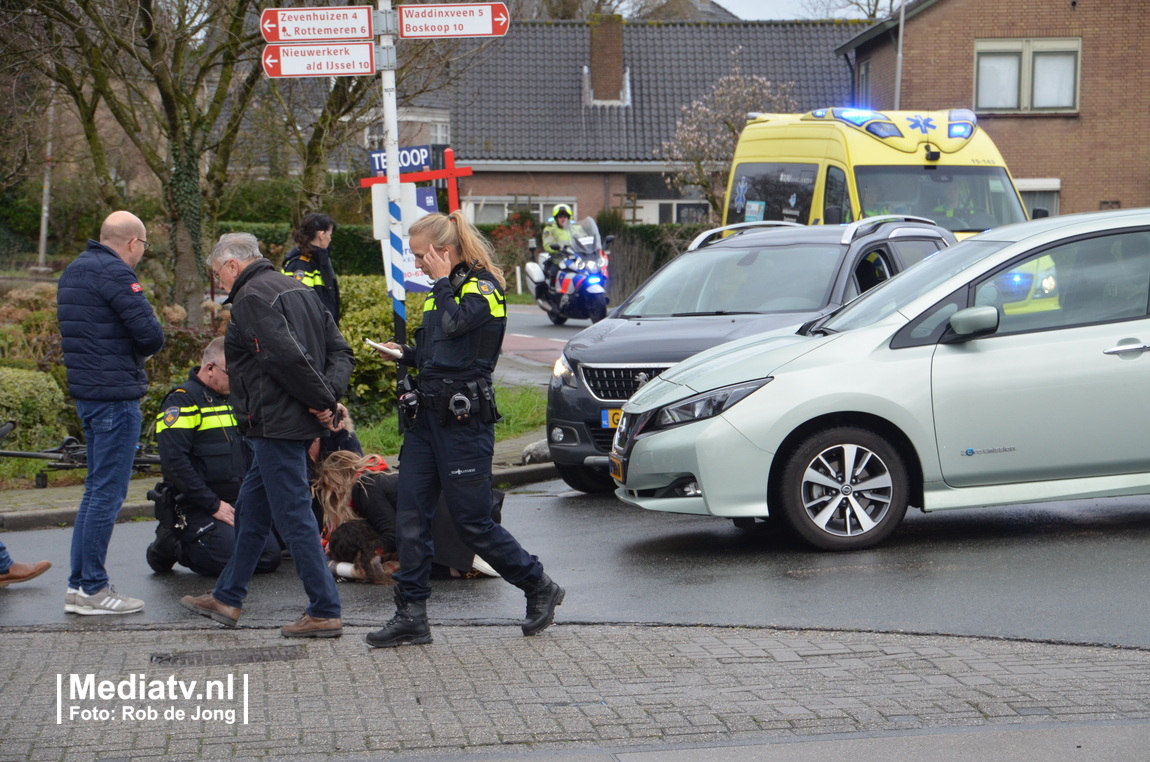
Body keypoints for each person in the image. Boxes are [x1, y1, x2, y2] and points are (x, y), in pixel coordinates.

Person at [365, 210, 564, 648]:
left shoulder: (483, 288)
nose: (417, 265)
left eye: (421, 256)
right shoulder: (442, 294)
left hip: (464, 425)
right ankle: (411, 615)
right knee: (411, 517)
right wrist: (405, 354)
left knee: (472, 521)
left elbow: (460, 326)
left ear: (444, 251)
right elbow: (441, 352)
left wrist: (439, 281)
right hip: (426, 423)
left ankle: (539, 586)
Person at [180, 232, 354, 639]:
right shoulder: (299, 290)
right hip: (285, 424)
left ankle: (325, 610)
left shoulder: (251, 298)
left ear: (232, 266)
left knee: (293, 517)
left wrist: (323, 400)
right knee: (253, 511)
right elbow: (340, 351)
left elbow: (285, 358)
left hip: (274, 425)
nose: (220, 284)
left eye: (218, 274)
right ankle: (228, 596)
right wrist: (328, 397)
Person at [57, 210, 165, 616]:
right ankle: (94, 589)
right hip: (116, 396)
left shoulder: (73, 271)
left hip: (87, 395)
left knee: (93, 491)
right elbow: (151, 335)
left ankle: (79, 587)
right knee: (107, 493)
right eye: (143, 247)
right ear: (133, 243)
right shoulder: (117, 274)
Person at [148, 337, 281, 578]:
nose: (238, 379)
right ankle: (170, 542)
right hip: (198, 504)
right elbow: (174, 464)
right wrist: (213, 505)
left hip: (237, 502)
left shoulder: (235, 399)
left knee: (268, 557)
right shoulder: (181, 402)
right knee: (228, 563)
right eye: (232, 373)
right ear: (210, 368)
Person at [312, 450, 502, 581]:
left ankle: (460, 564)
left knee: (412, 570)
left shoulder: (364, 488)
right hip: (476, 509)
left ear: (336, 482)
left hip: (454, 524)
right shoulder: (380, 478)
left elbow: (393, 535)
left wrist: (369, 555)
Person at [282, 213, 341, 324]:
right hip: (310, 334)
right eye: (330, 234)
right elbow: (298, 305)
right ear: (321, 234)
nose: (330, 239)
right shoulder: (301, 264)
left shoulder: (318, 261)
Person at [537, 204, 576, 300]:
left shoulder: (575, 228)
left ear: (569, 217)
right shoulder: (550, 229)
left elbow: (585, 238)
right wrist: (557, 249)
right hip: (558, 258)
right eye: (560, 217)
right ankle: (552, 294)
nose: (563, 219)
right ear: (556, 218)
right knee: (554, 272)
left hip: (575, 257)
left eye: (565, 216)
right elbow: (547, 245)